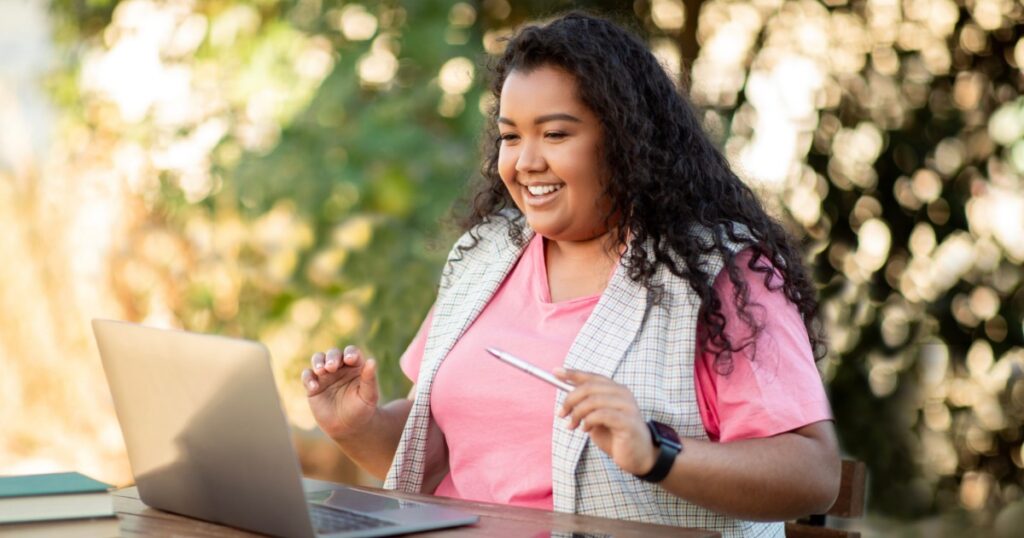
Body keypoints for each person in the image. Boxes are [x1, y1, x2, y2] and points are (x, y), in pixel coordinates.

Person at [301, 12, 839, 537]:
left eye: (555, 135)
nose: (525, 161)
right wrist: (356, 426)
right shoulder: (485, 256)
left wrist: (658, 452)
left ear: (626, 141)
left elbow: (812, 474)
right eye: (511, 136)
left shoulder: (718, 275)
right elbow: (437, 449)